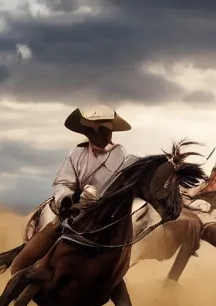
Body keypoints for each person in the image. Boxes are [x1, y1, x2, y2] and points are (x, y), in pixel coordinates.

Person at [21, 106, 137, 263]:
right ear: (86, 132)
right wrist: (72, 198)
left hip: (107, 216)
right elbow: (62, 183)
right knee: (48, 238)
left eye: (102, 130)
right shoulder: (76, 153)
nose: (97, 136)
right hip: (74, 211)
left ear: (110, 131)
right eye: (92, 131)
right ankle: (29, 268)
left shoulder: (122, 155)